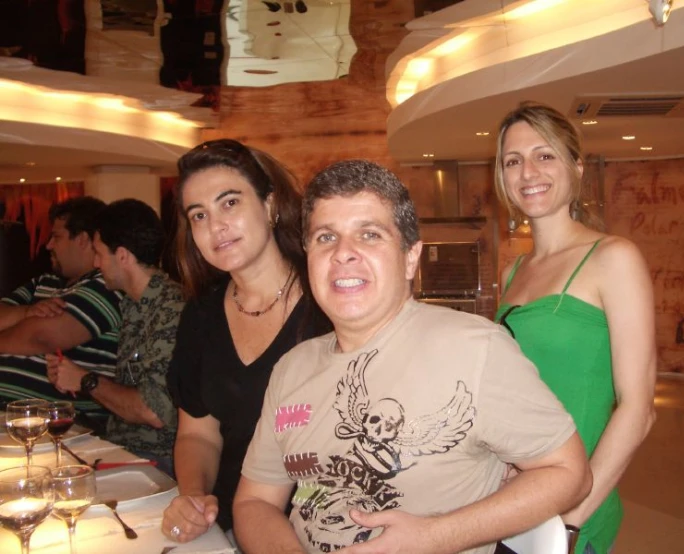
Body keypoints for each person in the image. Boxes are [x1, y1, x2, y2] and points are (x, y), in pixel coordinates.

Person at [232, 159, 592, 553]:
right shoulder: (291, 368)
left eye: (369, 234)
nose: (343, 254)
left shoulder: (475, 349)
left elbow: (569, 473)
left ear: (410, 258)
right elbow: (255, 501)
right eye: (325, 238)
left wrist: (434, 537)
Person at [493, 102, 657, 554]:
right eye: (513, 160)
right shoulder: (513, 271)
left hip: (573, 508)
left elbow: (639, 407)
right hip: (515, 497)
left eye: (544, 155)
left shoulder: (613, 258)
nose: (528, 172)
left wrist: (570, 520)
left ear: (576, 167)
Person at [161, 139, 330, 544]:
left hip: (321, 527)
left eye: (230, 203)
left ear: (269, 205)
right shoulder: (201, 316)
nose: (215, 226)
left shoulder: (330, 301)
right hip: (230, 529)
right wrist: (195, 496)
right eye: (198, 215)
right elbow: (198, 434)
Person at [46, 199, 184, 475]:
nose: (95, 263)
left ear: (122, 256)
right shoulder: (133, 305)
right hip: (121, 449)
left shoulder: (172, 308)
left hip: (158, 461)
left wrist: (87, 380)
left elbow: (153, 412)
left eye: (99, 253)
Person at [0, 196, 122, 423]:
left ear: (83, 240)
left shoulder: (107, 285)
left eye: (56, 237)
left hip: (61, 422)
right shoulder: (44, 282)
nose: (48, 245)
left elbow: (42, 337)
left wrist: (19, 321)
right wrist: (27, 313)